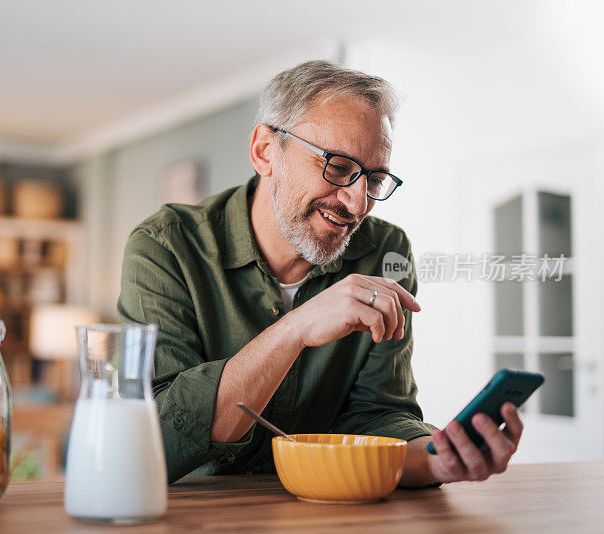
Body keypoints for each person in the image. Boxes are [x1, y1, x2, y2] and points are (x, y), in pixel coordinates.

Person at [118, 60, 523, 487]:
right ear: (265, 151)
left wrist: (435, 460)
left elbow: (378, 415)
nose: (356, 203)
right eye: (337, 166)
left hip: (333, 511)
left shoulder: (386, 251)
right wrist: (298, 327)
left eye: (374, 178)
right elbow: (153, 442)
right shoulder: (165, 247)